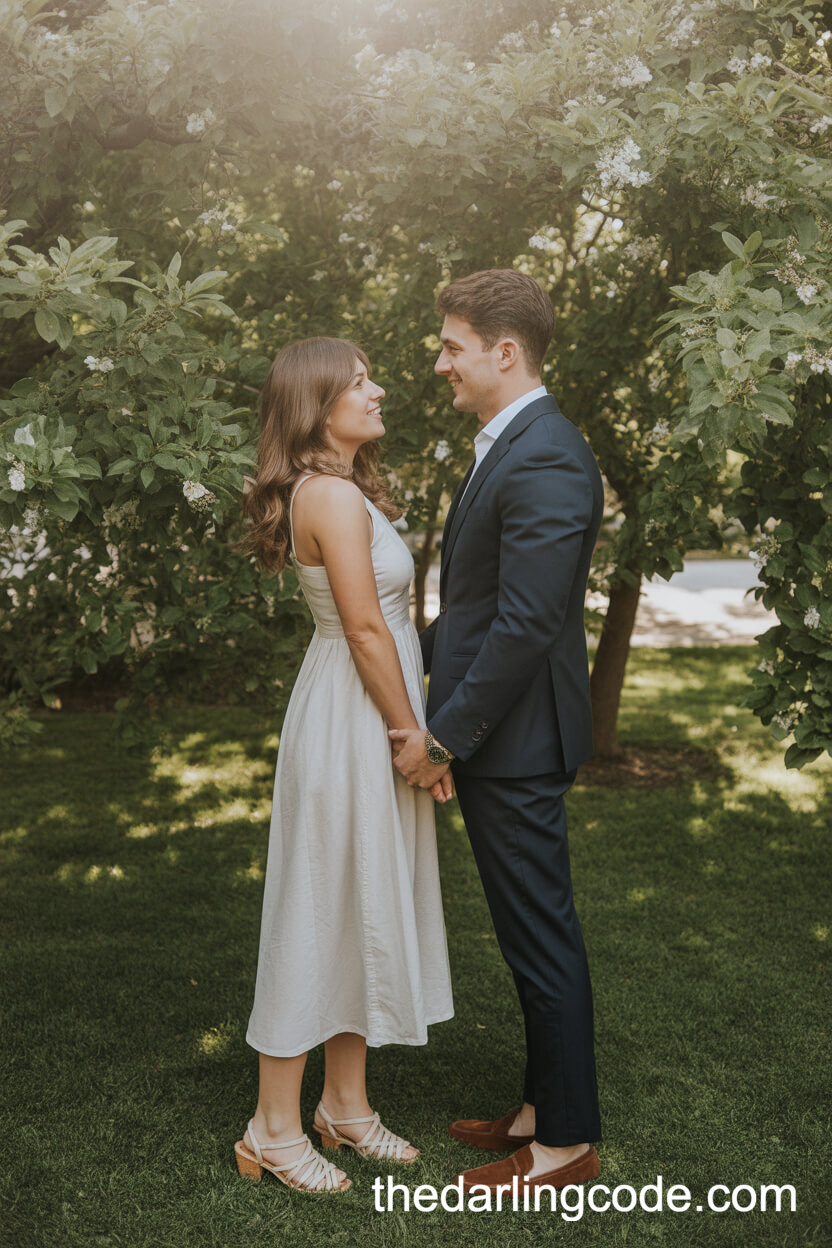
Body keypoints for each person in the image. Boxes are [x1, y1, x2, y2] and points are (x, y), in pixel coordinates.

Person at [390, 269, 604, 1194]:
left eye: (451, 346)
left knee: (541, 937)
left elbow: (525, 624)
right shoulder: (509, 445)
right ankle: (537, 1108)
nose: (440, 364)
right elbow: (478, 614)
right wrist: (396, 662)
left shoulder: (549, 453)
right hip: (501, 737)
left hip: (514, 743)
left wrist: (444, 737)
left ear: (502, 352)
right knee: (528, 936)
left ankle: (565, 1146)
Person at [235, 337, 454, 1194]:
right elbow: (366, 630)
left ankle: (346, 1107)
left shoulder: (347, 489)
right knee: (319, 903)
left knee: (361, 894)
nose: (379, 389)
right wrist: (415, 737)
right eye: (358, 382)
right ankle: (273, 1128)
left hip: (370, 706)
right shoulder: (326, 494)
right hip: (355, 716)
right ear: (315, 406)